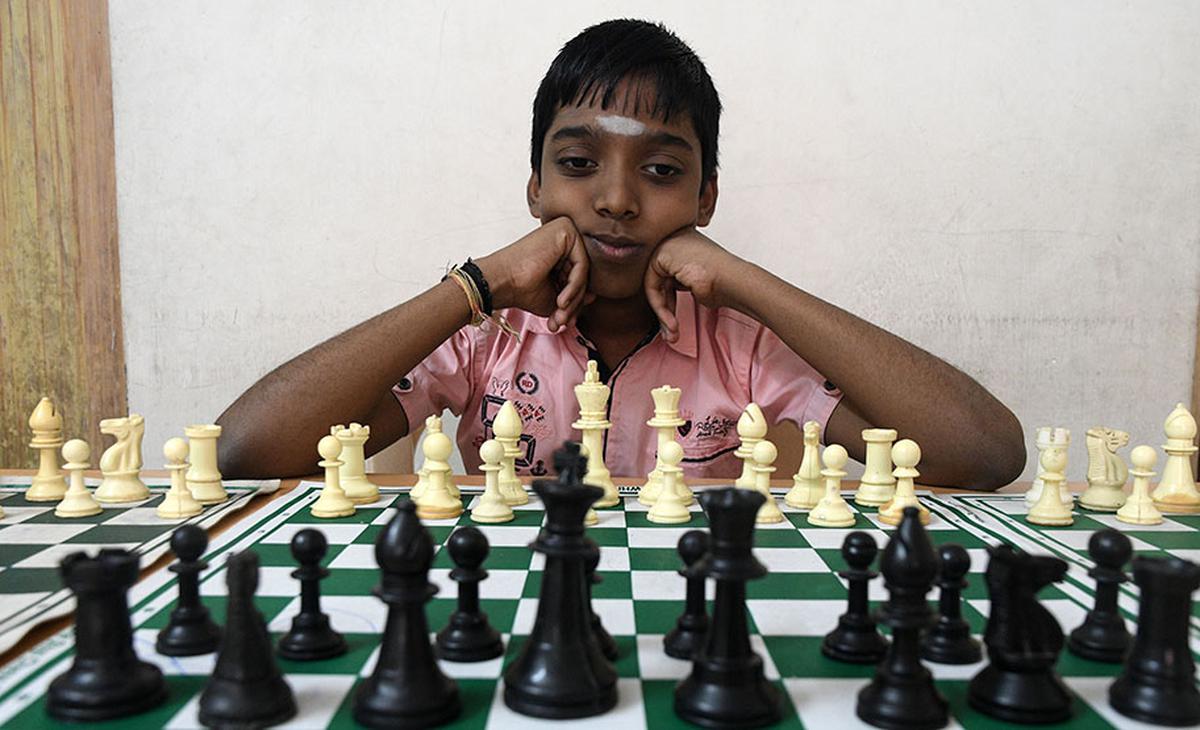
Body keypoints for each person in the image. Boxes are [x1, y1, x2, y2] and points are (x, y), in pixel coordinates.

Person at [216, 19, 1024, 489]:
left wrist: (746, 281)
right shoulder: (482, 335)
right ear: (534, 188)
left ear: (706, 199)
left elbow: (986, 456)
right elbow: (246, 453)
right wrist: (480, 281)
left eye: (663, 172)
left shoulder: (741, 349)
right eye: (577, 165)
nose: (616, 199)